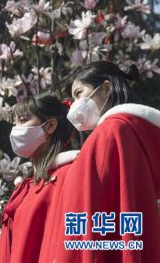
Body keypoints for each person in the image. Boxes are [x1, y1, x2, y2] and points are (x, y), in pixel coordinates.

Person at [40, 61, 160, 262]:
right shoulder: (135, 132)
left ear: (106, 88)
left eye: (79, 93)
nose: (75, 103)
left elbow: (92, 201)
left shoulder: (111, 131)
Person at [0, 93, 79, 262]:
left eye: (23, 120)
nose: (15, 129)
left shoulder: (68, 175)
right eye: (14, 123)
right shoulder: (24, 186)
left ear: (50, 126)